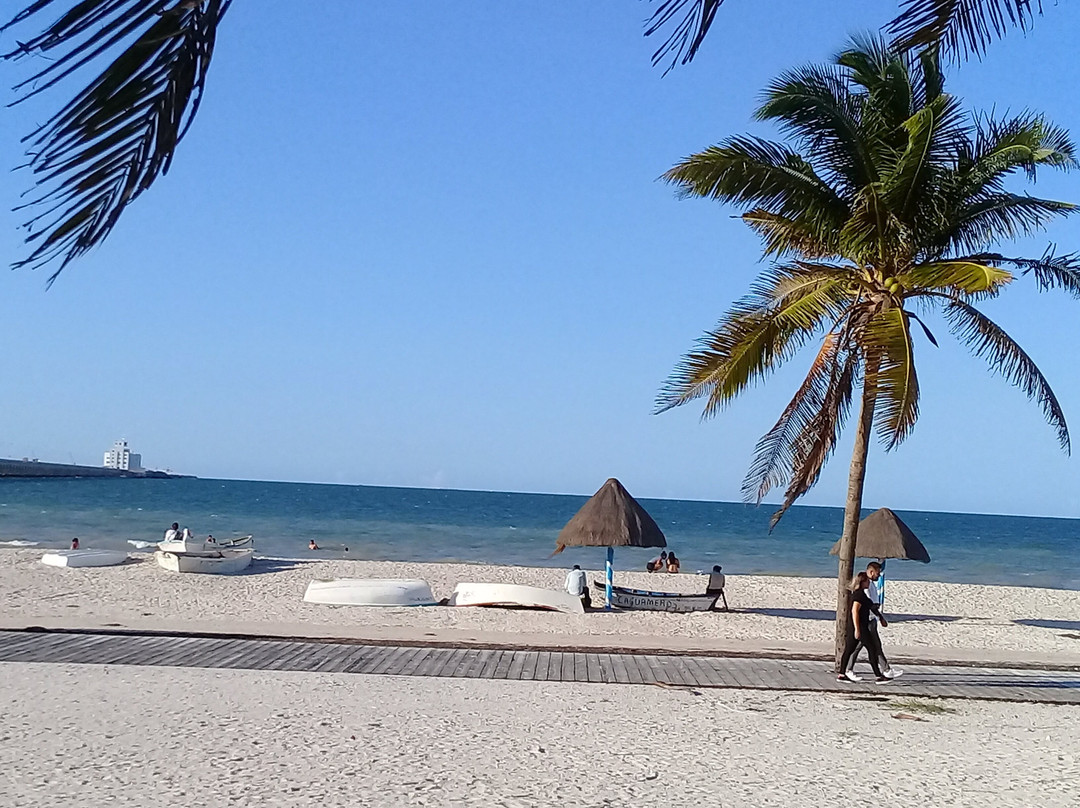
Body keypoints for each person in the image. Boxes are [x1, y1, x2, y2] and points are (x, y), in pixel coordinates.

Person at [838, 572, 889, 683]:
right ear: (862, 582)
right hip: (859, 626)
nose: (869, 583)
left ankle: (842, 674)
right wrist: (857, 629)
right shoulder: (858, 595)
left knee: (849, 650)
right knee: (871, 649)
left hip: (862, 625)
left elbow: (872, 608)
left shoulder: (862, 595)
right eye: (867, 581)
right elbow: (854, 611)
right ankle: (878, 676)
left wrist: (881, 618)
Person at [856, 561, 902, 679]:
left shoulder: (870, 584)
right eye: (877, 573)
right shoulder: (866, 585)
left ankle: (846, 669)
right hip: (869, 619)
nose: (879, 575)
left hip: (872, 618)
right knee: (875, 645)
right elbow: (867, 604)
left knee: (858, 646)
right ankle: (885, 670)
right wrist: (880, 616)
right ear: (871, 572)